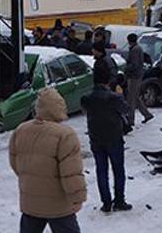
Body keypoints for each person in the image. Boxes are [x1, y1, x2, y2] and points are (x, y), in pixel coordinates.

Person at [10, 89, 87, 231]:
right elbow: (71, 173)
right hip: (58, 205)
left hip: (30, 202)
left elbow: (15, 162)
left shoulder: (21, 130)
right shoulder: (65, 135)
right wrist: (78, 197)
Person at [81, 63, 132, 213]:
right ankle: (120, 200)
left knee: (101, 170)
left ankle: (106, 202)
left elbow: (86, 111)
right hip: (114, 137)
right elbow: (126, 109)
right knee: (118, 169)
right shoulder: (114, 98)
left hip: (96, 137)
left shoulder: (87, 98)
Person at [124, 34, 153, 126]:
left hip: (134, 76)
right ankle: (147, 114)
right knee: (135, 96)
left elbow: (134, 64)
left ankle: (131, 119)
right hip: (136, 75)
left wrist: (126, 69)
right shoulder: (137, 48)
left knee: (131, 98)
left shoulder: (135, 50)